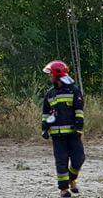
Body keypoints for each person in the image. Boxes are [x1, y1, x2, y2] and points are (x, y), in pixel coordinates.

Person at [41, 60, 85, 197]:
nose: (50, 78)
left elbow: (79, 111)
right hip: (57, 136)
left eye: (51, 75)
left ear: (56, 75)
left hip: (73, 134)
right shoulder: (50, 94)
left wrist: (79, 128)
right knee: (61, 162)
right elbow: (46, 114)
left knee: (79, 159)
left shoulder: (74, 91)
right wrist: (45, 128)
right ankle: (64, 189)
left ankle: (72, 179)